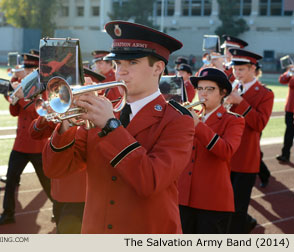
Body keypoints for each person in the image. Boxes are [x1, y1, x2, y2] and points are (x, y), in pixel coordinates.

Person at [42, 21, 195, 234]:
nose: (120, 72)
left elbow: (150, 182)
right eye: (117, 64)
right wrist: (65, 126)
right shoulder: (103, 110)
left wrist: (111, 127)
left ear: (158, 68)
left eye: (132, 63)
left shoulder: (178, 120)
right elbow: (56, 170)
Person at [29, 68, 105, 234]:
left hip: (82, 192)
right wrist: (47, 114)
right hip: (59, 188)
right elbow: (34, 133)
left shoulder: (99, 109)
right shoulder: (62, 104)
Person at [178, 68, 244, 234]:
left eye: (210, 89)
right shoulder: (190, 117)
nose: (203, 94)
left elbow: (226, 151)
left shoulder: (234, 120)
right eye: (200, 89)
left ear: (223, 93)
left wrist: (197, 125)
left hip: (213, 201)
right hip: (183, 198)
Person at [0, 53, 52, 226]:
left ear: (34, 71)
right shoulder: (22, 87)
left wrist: (19, 97)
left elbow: (39, 112)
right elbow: (14, 113)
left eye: (28, 69)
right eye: (24, 68)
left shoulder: (43, 88)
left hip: (37, 146)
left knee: (47, 182)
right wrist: (14, 99)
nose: (24, 72)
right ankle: (8, 213)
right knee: (11, 180)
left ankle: (59, 207)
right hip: (20, 144)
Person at [225, 48, 274, 233]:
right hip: (226, 153)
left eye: (241, 70)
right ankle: (246, 223)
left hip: (245, 157)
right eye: (235, 70)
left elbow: (260, 123)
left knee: (238, 207)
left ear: (253, 69)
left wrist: (240, 102)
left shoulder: (265, 93)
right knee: (224, 202)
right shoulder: (233, 87)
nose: (236, 74)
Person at [276, 63, 294, 163]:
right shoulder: (292, 72)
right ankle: (285, 154)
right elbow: (282, 80)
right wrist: (289, 72)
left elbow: (292, 84)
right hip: (290, 108)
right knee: (288, 133)